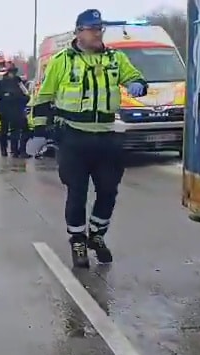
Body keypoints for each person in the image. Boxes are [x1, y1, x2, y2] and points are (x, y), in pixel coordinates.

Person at [30, 8, 148, 268]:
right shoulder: (62, 61)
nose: (97, 34)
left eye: (100, 29)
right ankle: (78, 240)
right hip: (74, 137)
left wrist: (137, 84)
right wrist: (39, 132)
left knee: (108, 191)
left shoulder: (115, 58)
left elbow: (133, 77)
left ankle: (96, 234)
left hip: (105, 136)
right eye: (92, 29)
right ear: (79, 32)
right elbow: (45, 97)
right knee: (77, 192)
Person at [0, 63, 31, 158]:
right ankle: (6, 150)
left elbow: (26, 95)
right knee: (6, 131)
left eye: (14, 72)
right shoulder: (2, 83)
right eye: (12, 72)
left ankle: (17, 151)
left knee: (20, 131)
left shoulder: (17, 82)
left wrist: (23, 101)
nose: (13, 74)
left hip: (16, 110)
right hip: (7, 111)